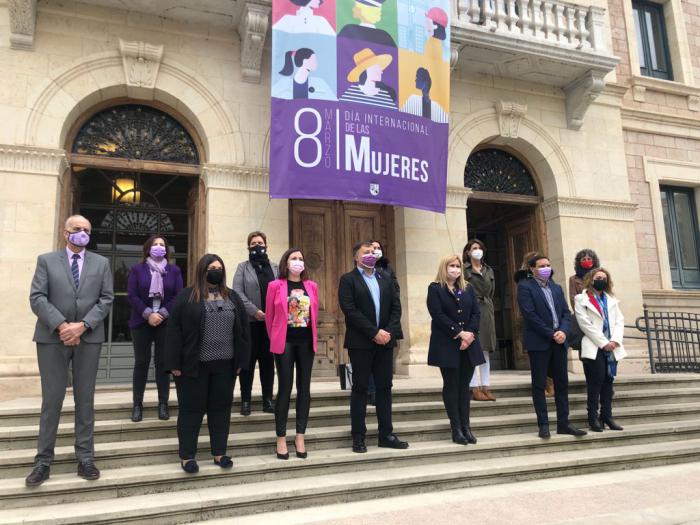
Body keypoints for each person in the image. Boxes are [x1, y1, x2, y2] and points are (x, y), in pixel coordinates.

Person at [26, 215, 114, 487]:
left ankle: (85, 458)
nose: (82, 234)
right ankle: (43, 462)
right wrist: (63, 326)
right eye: (77, 229)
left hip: (88, 338)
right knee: (51, 401)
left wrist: (83, 326)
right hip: (52, 338)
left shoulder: (102, 263)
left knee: (85, 400)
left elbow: (106, 298)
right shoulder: (46, 260)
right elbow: (37, 297)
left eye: (87, 230)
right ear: (65, 233)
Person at [164, 254, 251, 474]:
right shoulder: (187, 296)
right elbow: (173, 331)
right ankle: (187, 456)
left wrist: (241, 360)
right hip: (193, 366)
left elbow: (243, 331)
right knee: (191, 410)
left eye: (219, 268)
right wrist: (174, 363)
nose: (216, 271)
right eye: (212, 267)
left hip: (226, 365)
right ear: (202, 271)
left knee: (221, 410)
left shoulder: (232, 297)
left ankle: (219, 453)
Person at [338, 240, 407, 453]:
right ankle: (358, 436)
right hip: (361, 343)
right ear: (356, 257)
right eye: (365, 252)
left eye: (373, 251)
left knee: (385, 388)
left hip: (385, 342)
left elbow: (396, 308)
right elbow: (350, 309)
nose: (371, 254)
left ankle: (386, 434)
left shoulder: (385, 278)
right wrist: (373, 332)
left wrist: (387, 332)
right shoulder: (348, 280)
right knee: (360, 389)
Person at [516, 253, 587, 439]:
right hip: (540, 342)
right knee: (539, 384)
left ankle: (564, 423)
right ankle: (544, 424)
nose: (546, 268)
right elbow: (530, 315)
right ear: (532, 269)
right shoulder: (525, 287)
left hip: (559, 342)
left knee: (562, 383)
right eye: (541, 266)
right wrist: (551, 333)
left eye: (548, 264)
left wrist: (563, 331)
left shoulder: (556, 288)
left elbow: (566, 312)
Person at [265, 248, 319, 459]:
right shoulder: (275, 286)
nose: (298, 262)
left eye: (300, 259)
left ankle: (300, 436)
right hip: (285, 342)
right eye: (293, 258)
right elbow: (269, 317)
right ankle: (280, 437)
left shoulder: (311, 286)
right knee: (285, 387)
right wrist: (276, 337)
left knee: (304, 388)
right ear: (285, 263)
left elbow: (313, 314)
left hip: (306, 342)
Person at [427, 255, 485, 445]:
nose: (455, 269)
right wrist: (459, 333)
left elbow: (476, 312)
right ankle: (456, 428)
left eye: (458, 266)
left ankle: (466, 426)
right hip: (447, 344)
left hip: (468, 344)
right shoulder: (435, 288)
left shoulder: (467, 288)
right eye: (452, 266)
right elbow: (437, 314)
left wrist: (469, 334)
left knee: (464, 386)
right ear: (444, 268)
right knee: (451, 385)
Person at [127, 235, 183, 423]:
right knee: (141, 363)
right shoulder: (137, 270)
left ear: (166, 249)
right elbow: (132, 295)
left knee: (162, 364)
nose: (158, 247)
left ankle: (163, 404)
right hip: (141, 322)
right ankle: (137, 404)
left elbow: (178, 296)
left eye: (162, 245)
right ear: (148, 249)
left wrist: (162, 314)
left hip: (165, 323)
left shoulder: (174, 271)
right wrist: (148, 313)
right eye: (155, 245)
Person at [574, 267, 627, 432]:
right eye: (598, 277)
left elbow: (620, 321)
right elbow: (585, 324)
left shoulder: (611, 299)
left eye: (604, 278)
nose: (601, 280)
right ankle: (593, 417)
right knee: (595, 383)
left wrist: (615, 341)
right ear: (591, 279)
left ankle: (607, 416)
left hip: (612, 348)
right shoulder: (581, 299)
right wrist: (604, 342)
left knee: (608, 383)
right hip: (594, 346)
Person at [233, 232, 279, 416]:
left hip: (271, 326)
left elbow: (282, 292)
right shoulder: (242, 268)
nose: (257, 245)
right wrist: (255, 311)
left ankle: (267, 399)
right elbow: (237, 293)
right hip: (250, 325)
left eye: (260, 242)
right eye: (253, 243)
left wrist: (273, 313)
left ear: (266, 245)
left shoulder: (275, 268)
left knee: (268, 363)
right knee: (248, 364)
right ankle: (246, 400)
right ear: (248, 247)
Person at [514, 251, 555, 398]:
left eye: (546, 265)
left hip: (550, 324)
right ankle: (542, 384)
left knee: (551, 359)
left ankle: (551, 382)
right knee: (537, 359)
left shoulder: (549, 280)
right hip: (531, 322)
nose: (544, 268)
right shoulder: (524, 282)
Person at [368, 240, 403, 405]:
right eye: (372, 248)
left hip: (387, 320)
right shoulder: (363, 271)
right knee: (369, 360)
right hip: (370, 324)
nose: (376, 251)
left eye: (378, 248)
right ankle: (371, 390)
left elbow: (396, 291)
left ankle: (382, 391)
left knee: (384, 362)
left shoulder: (388, 269)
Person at [463, 239, 497, 402]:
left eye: (480, 248)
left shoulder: (489, 270)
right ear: (468, 252)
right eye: (474, 248)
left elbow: (492, 291)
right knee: (473, 348)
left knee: (485, 349)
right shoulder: (464, 269)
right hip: (471, 309)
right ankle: (474, 386)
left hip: (487, 309)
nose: (477, 250)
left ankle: (486, 385)